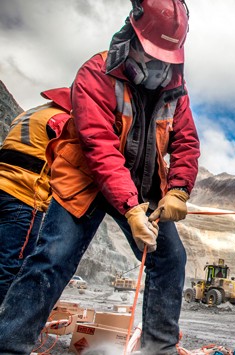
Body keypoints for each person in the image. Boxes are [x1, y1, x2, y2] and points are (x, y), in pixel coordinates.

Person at [0, 0, 200, 353]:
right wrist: (130, 208)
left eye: (167, 57)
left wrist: (179, 190)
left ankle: (160, 348)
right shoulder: (96, 73)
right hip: (87, 179)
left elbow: (185, 141)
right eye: (153, 54)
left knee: (171, 258)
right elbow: (99, 147)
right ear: (133, 37)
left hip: (143, 184)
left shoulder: (176, 88)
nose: (159, 66)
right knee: (53, 257)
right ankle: (9, 345)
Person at [0, 87, 70, 305]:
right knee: (11, 266)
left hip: (3, 185)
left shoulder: (30, 113)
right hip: (23, 196)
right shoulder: (61, 120)